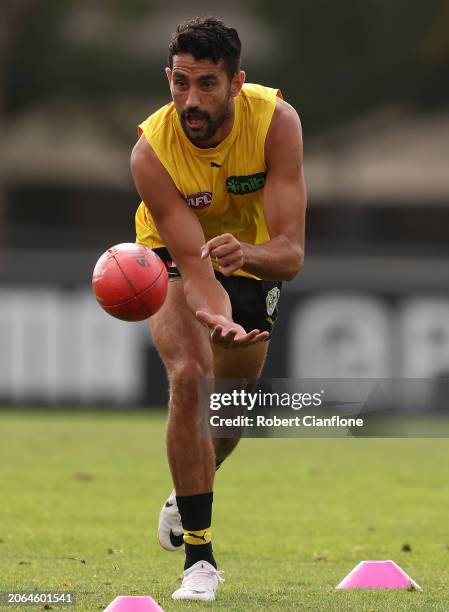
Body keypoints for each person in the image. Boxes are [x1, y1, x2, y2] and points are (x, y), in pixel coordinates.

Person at [131, 16, 306, 602]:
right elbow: (191, 257)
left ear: (236, 83)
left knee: (229, 416)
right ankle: (199, 561)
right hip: (175, 258)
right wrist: (216, 313)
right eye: (180, 83)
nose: (191, 100)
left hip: (250, 256)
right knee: (190, 377)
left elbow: (291, 255)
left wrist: (247, 256)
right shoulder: (151, 152)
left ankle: (187, 493)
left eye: (207, 84)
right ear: (168, 79)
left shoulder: (276, 122)